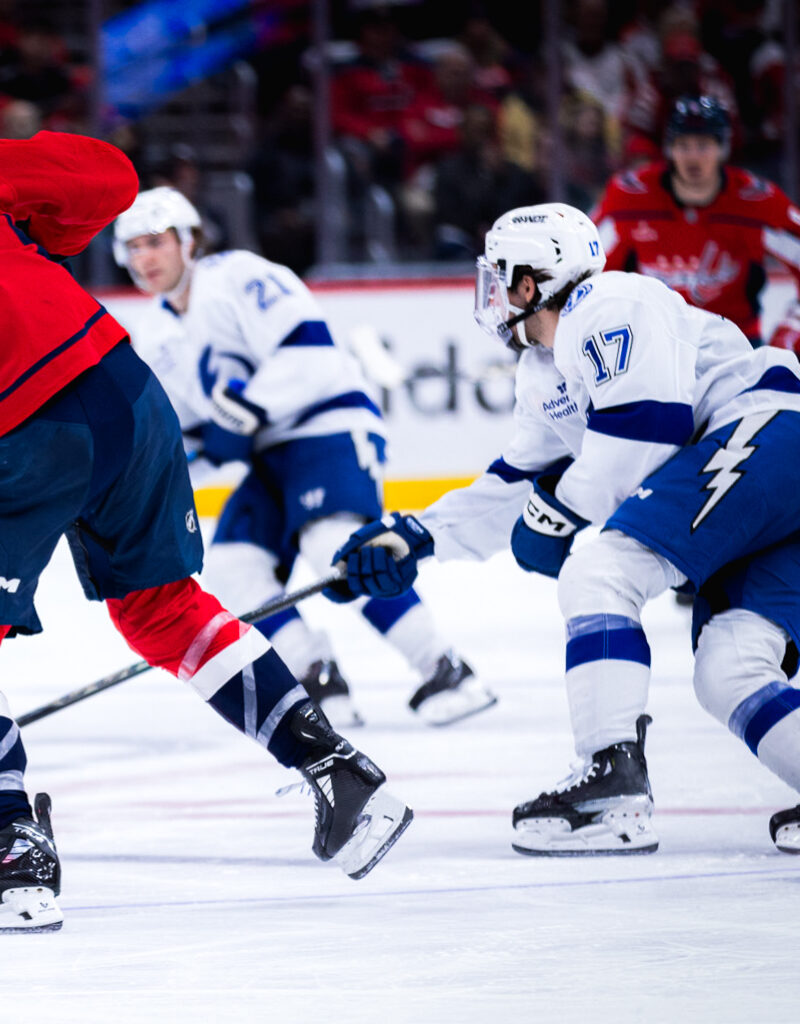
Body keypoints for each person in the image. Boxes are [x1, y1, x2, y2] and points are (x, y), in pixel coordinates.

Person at [0, 72, 414, 935]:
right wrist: (33, 225)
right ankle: (340, 774)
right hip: (121, 391)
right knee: (165, 612)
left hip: (7, 440)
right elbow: (108, 181)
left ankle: (12, 848)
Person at [329, 203, 800, 856]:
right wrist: (415, 537)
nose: (490, 295)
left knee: (600, 571)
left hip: (770, 436)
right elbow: (516, 482)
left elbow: (644, 429)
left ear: (530, 281)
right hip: (766, 475)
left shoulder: (609, 302)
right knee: (730, 670)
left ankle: (612, 787)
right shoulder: (544, 371)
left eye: (498, 277)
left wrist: (555, 513)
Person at [113, 187, 494, 728]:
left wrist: (242, 414)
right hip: (269, 456)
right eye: (132, 247)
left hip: (326, 427)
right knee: (234, 566)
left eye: (155, 242)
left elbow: (309, 350)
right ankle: (317, 674)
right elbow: (195, 438)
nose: (144, 258)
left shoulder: (237, 276)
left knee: (333, 547)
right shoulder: (153, 336)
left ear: (189, 240)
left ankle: (447, 668)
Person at [591, 95, 800, 350]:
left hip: (736, 348)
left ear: (723, 148)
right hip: (655, 346)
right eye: (684, 145)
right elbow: (588, 268)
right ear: (670, 149)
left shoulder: (756, 201)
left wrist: (791, 333)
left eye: (703, 145)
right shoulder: (629, 197)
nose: (693, 156)